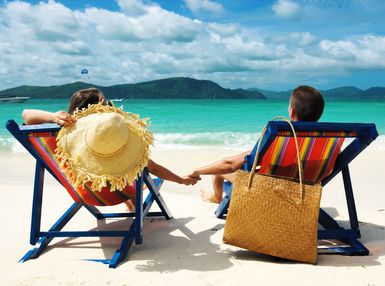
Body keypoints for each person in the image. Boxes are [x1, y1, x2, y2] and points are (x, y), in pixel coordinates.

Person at [22, 88, 199, 210]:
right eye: (106, 103)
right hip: (118, 193)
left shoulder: (63, 136)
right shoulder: (110, 138)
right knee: (123, 164)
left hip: (82, 193)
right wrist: (182, 180)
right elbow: (152, 168)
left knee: (109, 166)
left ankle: (130, 202)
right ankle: (133, 205)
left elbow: (26, 114)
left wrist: (53, 117)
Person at [187, 85, 325, 203]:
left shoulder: (280, 138)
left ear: (292, 111)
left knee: (219, 172)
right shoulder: (328, 141)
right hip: (303, 191)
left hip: (269, 191)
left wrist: (198, 171)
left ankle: (216, 198)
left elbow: (230, 164)